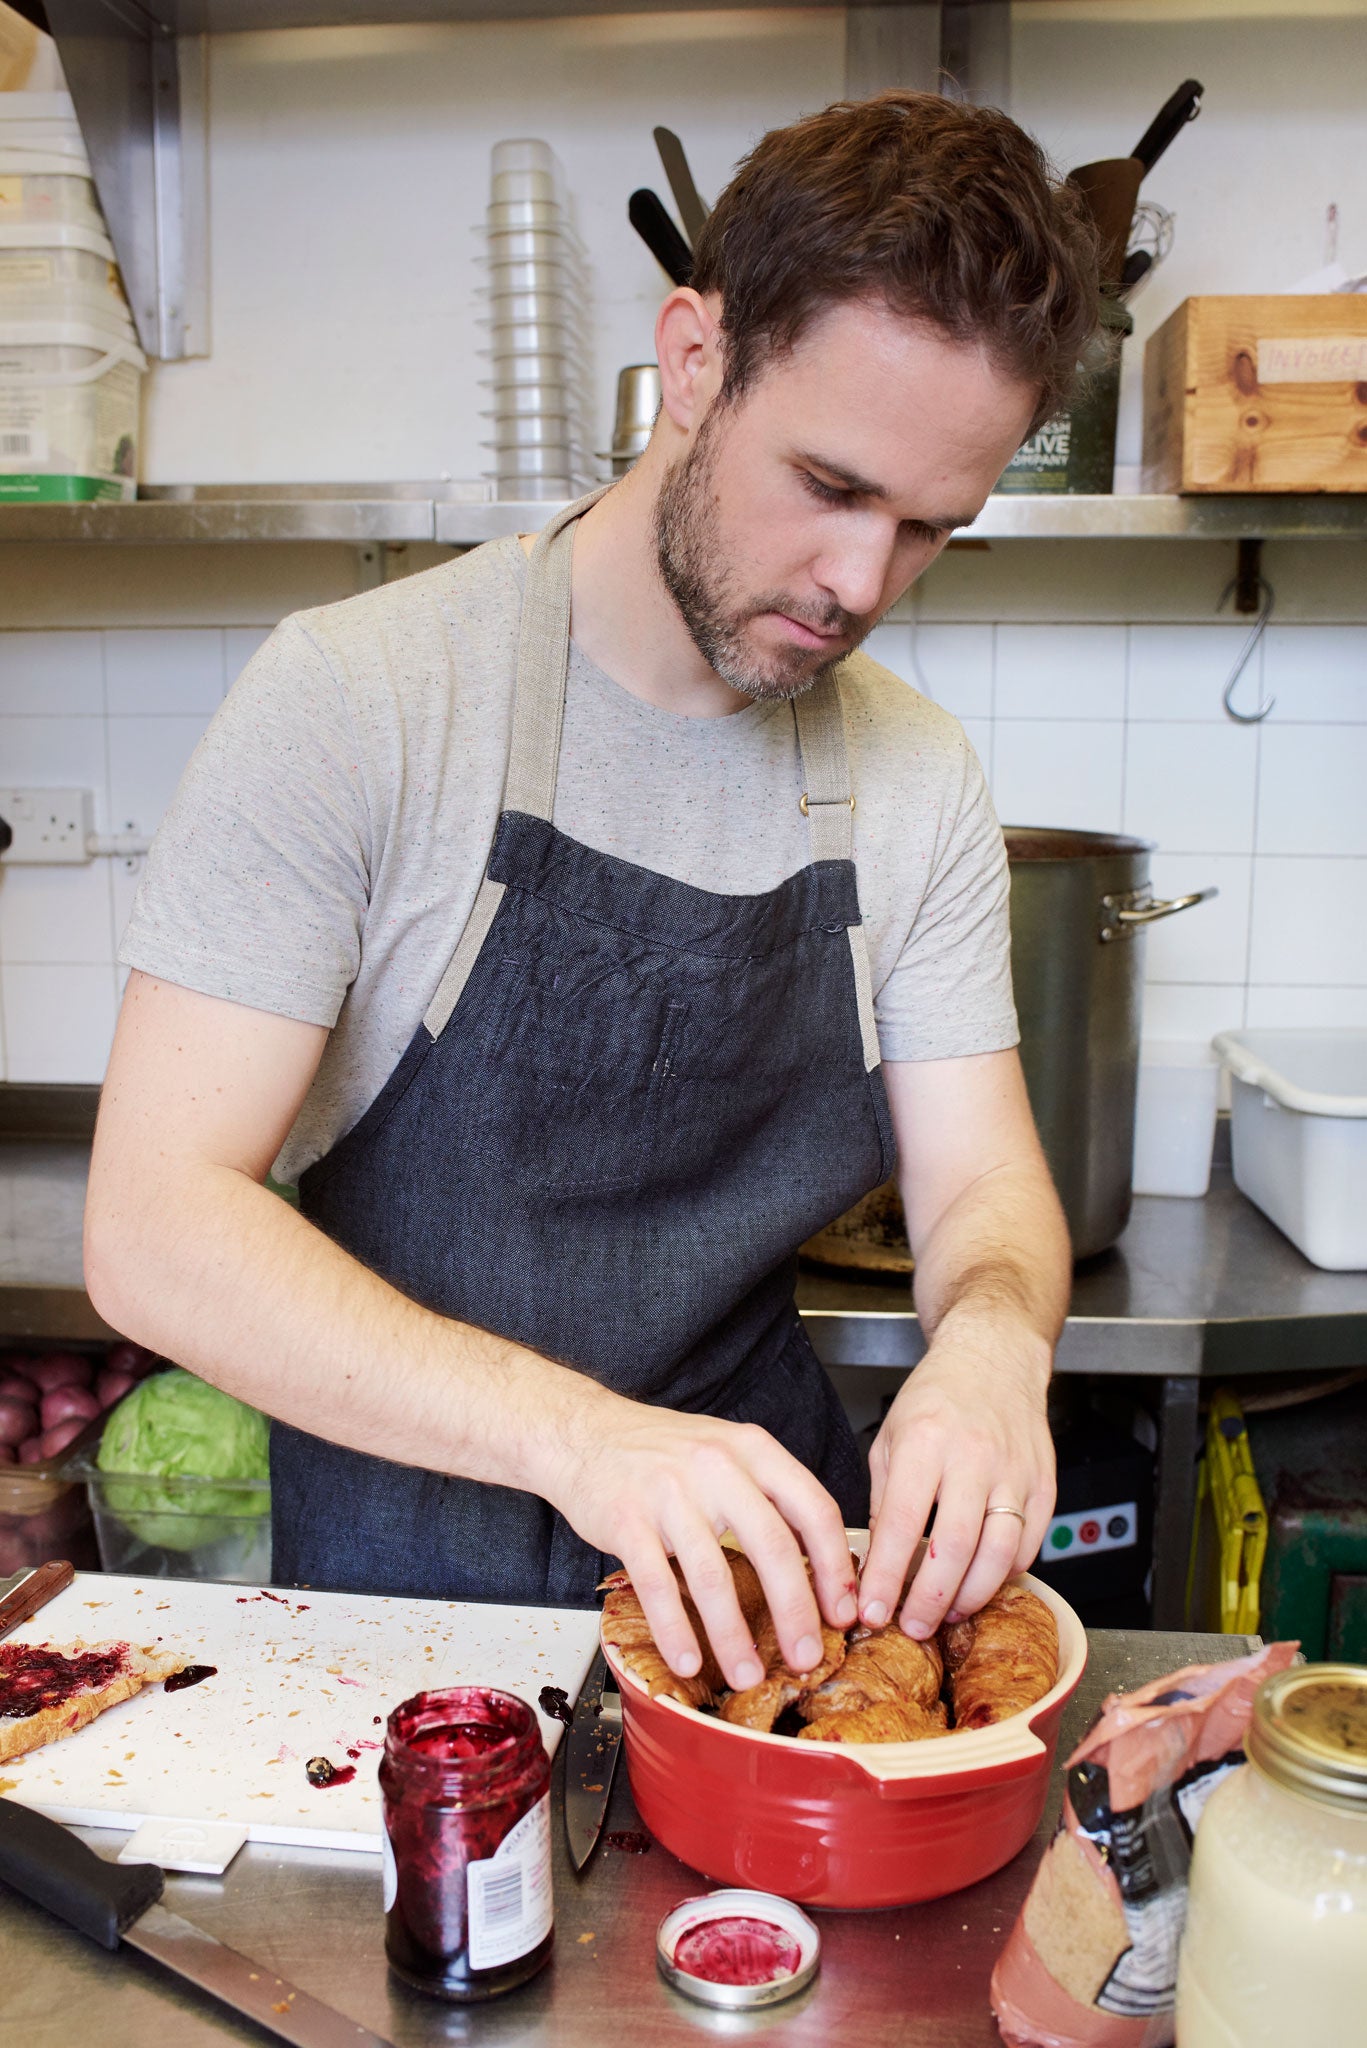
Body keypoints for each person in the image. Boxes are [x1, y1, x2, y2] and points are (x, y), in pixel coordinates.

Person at [85, 90, 1097, 1696]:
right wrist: (587, 1443)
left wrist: (990, 1343)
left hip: (776, 1623)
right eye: (829, 484)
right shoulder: (363, 699)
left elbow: (985, 1192)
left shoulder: (913, 779)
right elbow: (150, 1229)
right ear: (693, 360)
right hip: (407, 1628)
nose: (860, 584)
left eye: (930, 532)